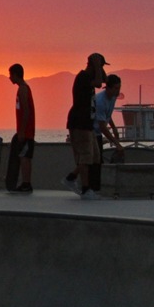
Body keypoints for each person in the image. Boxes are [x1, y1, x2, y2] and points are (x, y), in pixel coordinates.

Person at [64, 53, 108, 199]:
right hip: (79, 122)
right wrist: (96, 65)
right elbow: (98, 83)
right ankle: (85, 189)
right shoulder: (83, 77)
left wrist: (99, 66)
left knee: (95, 156)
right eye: (99, 66)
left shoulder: (91, 76)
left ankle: (71, 178)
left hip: (87, 123)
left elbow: (105, 80)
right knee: (85, 156)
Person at [90, 74, 125, 193]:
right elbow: (102, 126)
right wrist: (117, 144)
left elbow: (107, 115)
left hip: (98, 133)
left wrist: (114, 128)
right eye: (115, 88)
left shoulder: (113, 97)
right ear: (108, 88)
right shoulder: (100, 101)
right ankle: (92, 188)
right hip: (92, 132)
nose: (118, 91)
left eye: (119, 88)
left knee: (98, 161)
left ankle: (95, 188)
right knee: (95, 161)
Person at [7, 63, 35, 193]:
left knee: (25, 157)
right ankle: (25, 182)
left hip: (26, 131)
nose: (9, 78)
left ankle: (26, 183)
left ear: (16, 75)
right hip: (24, 130)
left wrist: (22, 131)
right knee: (24, 156)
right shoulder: (22, 88)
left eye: (10, 75)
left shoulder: (23, 89)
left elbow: (26, 111)